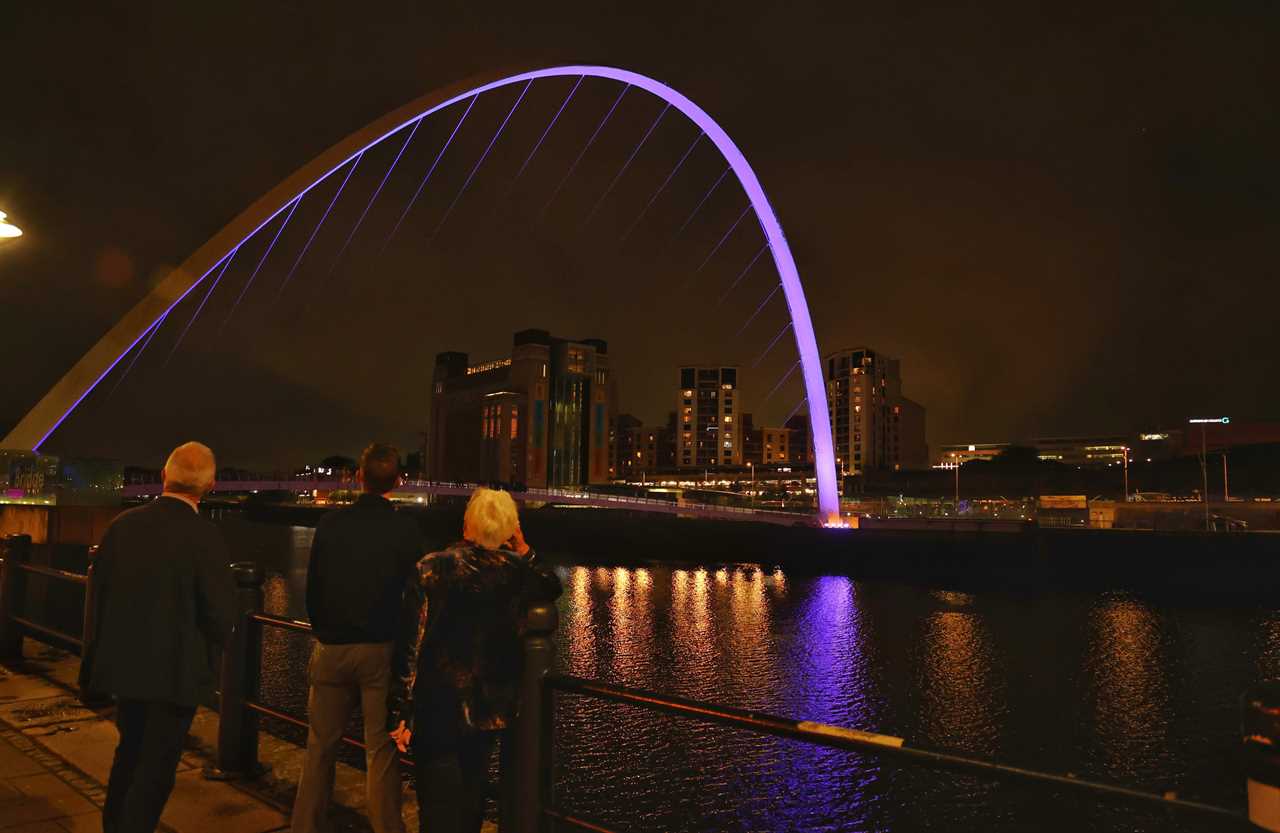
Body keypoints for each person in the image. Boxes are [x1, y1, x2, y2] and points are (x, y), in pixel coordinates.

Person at [80, 441, 235, 833]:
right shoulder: (206, 537)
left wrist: (92, 666)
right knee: (157, 768)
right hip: (176, 675)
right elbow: (219, 614)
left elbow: (97, 601)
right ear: (210, 485)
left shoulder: (122, 527)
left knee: (128, 753)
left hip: (125, 668)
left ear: (164, 476)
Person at [388, 487, 562, 833]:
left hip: (437, 705)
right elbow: (551, 585)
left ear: (466, 526)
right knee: (472, 799)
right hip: (490, 706)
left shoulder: (430, 568)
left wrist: (399, 713)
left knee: (437, 807)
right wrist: (525, 550)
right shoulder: (517, 573)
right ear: (510, 529)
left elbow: (411, 645)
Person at [292, 444, 422, 833]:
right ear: (398, 482)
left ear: (359, 477)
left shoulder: (331, 524)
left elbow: (313, 588)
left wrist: (323, 630)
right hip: (380, 651)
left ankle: (305, 826)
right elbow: (416, 600)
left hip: (331, 648)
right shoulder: (405, 531)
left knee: (319, 748)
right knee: (380, 751)